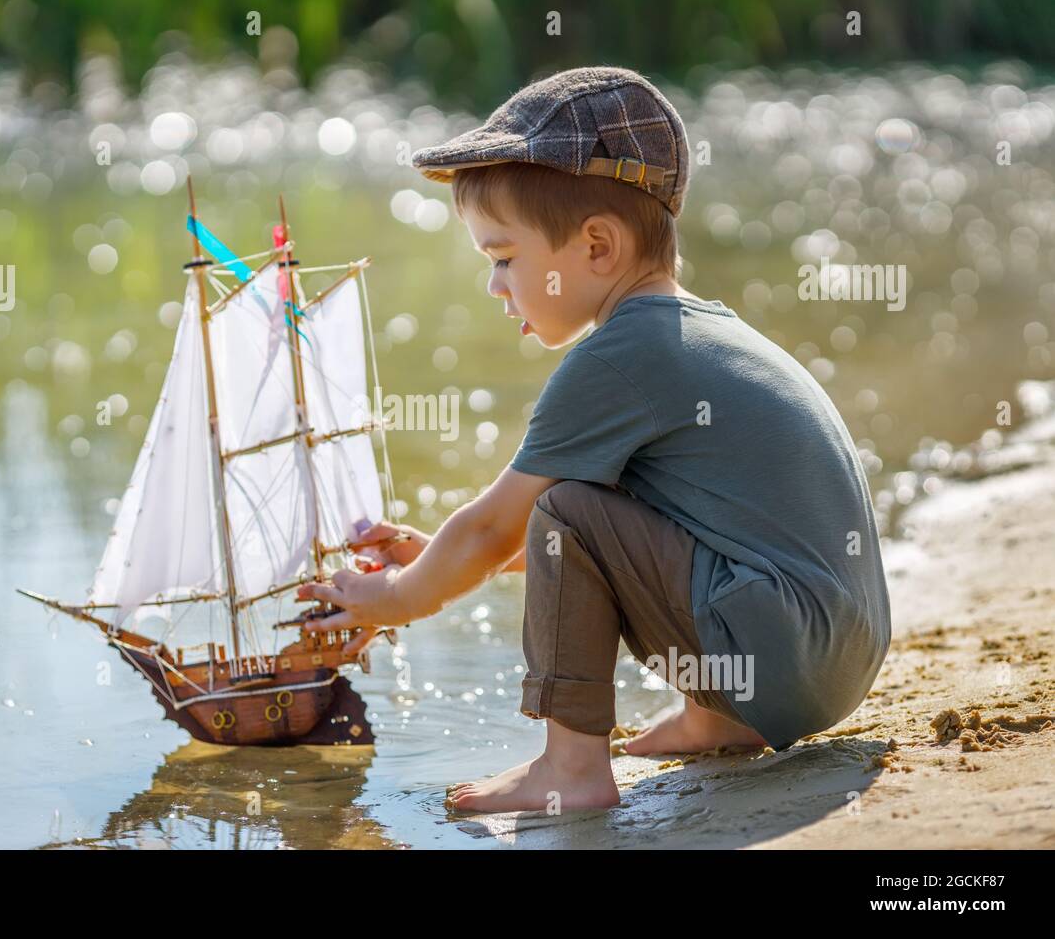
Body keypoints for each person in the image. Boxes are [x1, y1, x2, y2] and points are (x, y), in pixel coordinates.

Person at [295, 66, 891, 814]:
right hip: (831, 658)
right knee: (591, 504)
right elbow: (611, 544)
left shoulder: (617, 358)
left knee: (570, 507)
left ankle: (571, 769)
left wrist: (394, 597)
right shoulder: (699, 334)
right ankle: (719, 716)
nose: (494, 286)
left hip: (784, 653)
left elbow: (494, 526)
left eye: (503, 258)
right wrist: (442, 558)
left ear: (598, 248)